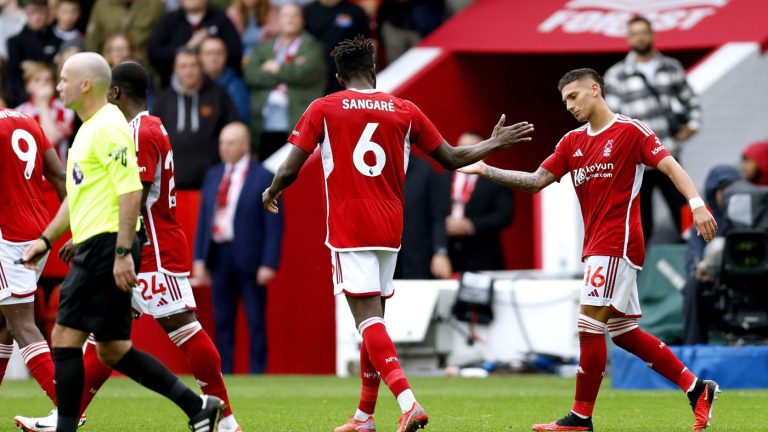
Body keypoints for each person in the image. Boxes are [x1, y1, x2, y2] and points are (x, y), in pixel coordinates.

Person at [262, 35, 534, 432]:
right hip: (390, 226)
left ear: (340, 78)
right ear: (374, 71)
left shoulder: (323, 107)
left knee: (367, 321)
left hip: (349, 224)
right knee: (376, 323)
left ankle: (408, 403)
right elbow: (453, 158)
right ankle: (364, 417)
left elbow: (289, 168)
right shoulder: (404, 109)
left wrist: (272, 192)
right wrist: (493, 142)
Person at [459, 68, 718, 431]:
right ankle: (697, 389)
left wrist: (696, 204)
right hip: (597, 245)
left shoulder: (631, 131)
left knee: (588, 325)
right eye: (564, 100)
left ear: (595, 90)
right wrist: (487, 169)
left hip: (618, 241)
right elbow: (536, 182)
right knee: (623, 331)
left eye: (574, 97)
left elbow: (671, 166)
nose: (569, 106)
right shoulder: (571, 142)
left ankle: (580, 417)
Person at [15, 60, 244, 432]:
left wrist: (119, 247)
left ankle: (225, 418)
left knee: (183, 327)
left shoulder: (137, 130)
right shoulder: (130, 128)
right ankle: (67, 416)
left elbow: (131, 190)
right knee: (101, 340)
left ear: (115, 92)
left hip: (150, 246)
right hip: (133, 241)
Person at [194, 122, 282, 374]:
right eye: (222, 143)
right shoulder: (213, 175)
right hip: (219, 255)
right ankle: (225, 372)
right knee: (222, 320)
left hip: (250, 258)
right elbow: (204, 219)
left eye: (230, 143)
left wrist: (269, 262)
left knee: (255, 320)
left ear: (244, 144)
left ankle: (257, 372)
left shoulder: (263, 176)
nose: (224, 148)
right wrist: (199, 258)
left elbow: (274, 224)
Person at [604, 16, 702, 243]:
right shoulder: (616, 74)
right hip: (637, 162)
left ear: (652, 35)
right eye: (634, 33)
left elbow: (691, 100)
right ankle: (642, 274)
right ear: (628, 38)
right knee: (639, 223)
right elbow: (613, 118)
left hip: (668, 154)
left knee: (684, 212)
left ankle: (693, 263)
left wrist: (691, 127)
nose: (639, 37)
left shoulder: (670, 67)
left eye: (643, 32)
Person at [0, 106, 68, 427]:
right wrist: (77, 226)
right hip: (39, 235)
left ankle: (68, 408)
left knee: (21, 324)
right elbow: (58, 175)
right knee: (4, 322)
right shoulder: (26, 120)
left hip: (6, 236)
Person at [244, 2, 326, 159]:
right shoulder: (264, 48)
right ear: (277, 20)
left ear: (302, 20)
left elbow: (306, 73)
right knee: (268, 177)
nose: (291, 19)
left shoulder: (312, 47)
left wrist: (276, 67)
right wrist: (290, 69)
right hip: (264, 125)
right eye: (286, 15)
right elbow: (251, 74)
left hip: (297, 124)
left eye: (295, 15)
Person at [152, 47, 239, 189]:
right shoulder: (163, 99)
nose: (189, 71)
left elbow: (233, 130)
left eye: (193, 65)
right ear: (175, 68)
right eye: (183, 66)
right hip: (172, 183)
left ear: (201, 67)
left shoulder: (218, 95)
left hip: (211, 180)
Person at [437, 131, 513, 272]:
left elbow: (504, 215)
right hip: (448, 256)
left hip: (483, 257)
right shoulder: (441, 179)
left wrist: (471, 225)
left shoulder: (496, 180)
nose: (465, 151)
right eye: (461, 147)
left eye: (472, 147)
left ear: (484, 152)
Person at [682, 165, 741, 345]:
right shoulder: (704, 223)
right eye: (721, 190)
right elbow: (694, 256)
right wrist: (700, 270)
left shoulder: (755, 220)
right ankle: (694, 348)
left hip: (751, 284)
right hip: (716, 287)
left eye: (731, 190)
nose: (726, 195)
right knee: (693, 285)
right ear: (713, 193)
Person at [148, 0, 242, 87]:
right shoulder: (168, 21)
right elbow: (154, 54)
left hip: (217, 85)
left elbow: (236, 53)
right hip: (173, 88)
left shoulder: (221, 19)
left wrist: (212, 53)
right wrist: (188, 47)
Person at [395, 156, 452, 280]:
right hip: (381, 257)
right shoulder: (372, 168)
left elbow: (437, 216)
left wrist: (440, 252)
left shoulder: (424, 170)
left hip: (417, 258)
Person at [302, 0, 370, 94]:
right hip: (314, 75)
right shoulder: (307, 12)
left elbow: (366, 44)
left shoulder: (355, 11)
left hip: (346, 75)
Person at [4, 0, 62, 107]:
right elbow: (13, 77)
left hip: (54, 96)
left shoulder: (58, 41)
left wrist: (31, 66)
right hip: (23, 100)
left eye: (41, 11)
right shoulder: (14, 42)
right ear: (25, 12)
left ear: (48, 13)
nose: (37, 16)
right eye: (32, 12)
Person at [14, 61, 76, 162]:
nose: (43, 84)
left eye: (48, 80)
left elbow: (51, 140)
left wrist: (42, 104)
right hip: (31, 174)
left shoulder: (66, 109)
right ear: (27, 86)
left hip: (58, 174)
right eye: (37, 80)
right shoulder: (18, 112)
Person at [85, 0, 164, 71]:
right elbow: (92, 44)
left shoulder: (155, 6)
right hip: (108, 70)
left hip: (146, 70)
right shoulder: (101, 5)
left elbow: (161, 41)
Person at [200, 36, 251, 123]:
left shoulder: (236, 85)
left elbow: (241, 118)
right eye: (209, 53)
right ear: (199, 56)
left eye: (219, 53)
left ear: (226, 56)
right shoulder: (193, 84)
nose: (214, 58)